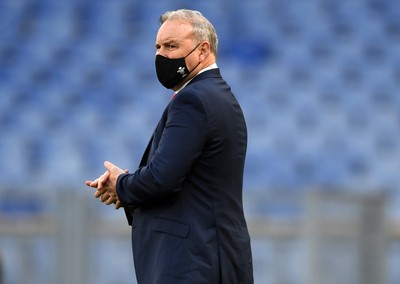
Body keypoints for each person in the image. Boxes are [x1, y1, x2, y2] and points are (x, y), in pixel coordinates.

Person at [85, 9, 253, 284]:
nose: (162, 55)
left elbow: (162, 178)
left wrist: (122, 185)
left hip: (192, 264)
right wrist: (126, 191)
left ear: (203, 50)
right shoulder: (216, 95)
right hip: (209, 258)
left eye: (172, 46)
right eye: (158, 47)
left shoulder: (194, 100)